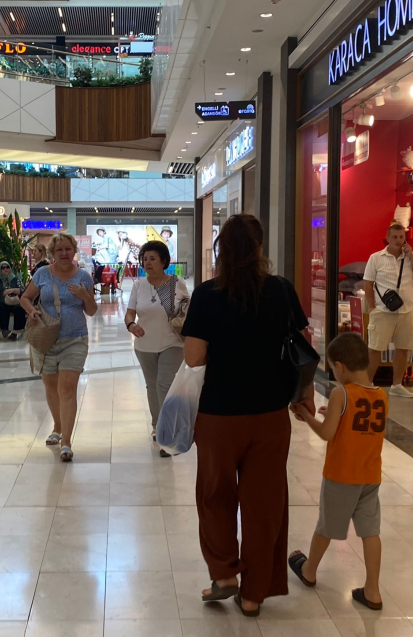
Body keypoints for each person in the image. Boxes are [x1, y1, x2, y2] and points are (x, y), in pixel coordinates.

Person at [182, 214, 313, 617]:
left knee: (215, 495)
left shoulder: (207, 295)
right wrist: (304, 394)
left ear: (221, 249)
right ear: (259, 248)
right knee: (264, 504)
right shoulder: (281, 290)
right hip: (270, 414)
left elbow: (194, 357)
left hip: (218, 416)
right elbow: (304, 346)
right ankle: (254, 593)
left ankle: (224, 574)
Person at [287, 332, 387, 612]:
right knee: (370, 532)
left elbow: (326, 433)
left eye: (333, 368)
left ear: (340, 367)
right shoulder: (381, 395)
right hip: (370, 477)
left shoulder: (341, 393)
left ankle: (308, 570)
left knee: (326, 526)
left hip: (342, 476)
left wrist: (308, 416)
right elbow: (359, 426)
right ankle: (373, 590)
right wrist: (331, 414)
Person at [21, 232, 97, 462]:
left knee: (67, 388)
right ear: (53, 253)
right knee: (51, 386)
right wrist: (31, 311)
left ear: (74, 251)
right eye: (59, 250)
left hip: (75, 339)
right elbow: (25, 297)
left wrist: (84, 295)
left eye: (68, 249)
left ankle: (67, 442)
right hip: (46, 339)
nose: (64, 253)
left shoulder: (83, 277)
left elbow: (91, 311)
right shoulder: (42, 274)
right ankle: (57, 426)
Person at [125, 240, 189, 459]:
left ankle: (166, 432)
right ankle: (156, 424)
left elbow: (187, 309)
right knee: (152, 386)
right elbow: (130, 312)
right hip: (145, 345)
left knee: (164, 385)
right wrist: (131, 325)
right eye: (145, 259)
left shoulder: (177, 283)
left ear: (164, 261)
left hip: (173, 342)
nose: (147, 263)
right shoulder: (138, 286)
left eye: (152, 258)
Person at [363, 223, 413, 397]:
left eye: (401, 237)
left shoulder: (412, 257)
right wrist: (372, 307)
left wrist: (412, 258)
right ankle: (367, 384)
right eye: (395, 237)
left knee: (404, 348)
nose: (398, 240)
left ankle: (397, 385)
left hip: (407, 309)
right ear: (388, 238)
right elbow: (368, 284)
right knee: (375, 348)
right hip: (382, 311)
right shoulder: (376, 258)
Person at [0, 261, 26, 340]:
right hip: (3, 303)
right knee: (1, 308)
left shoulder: (16, 279)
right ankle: (4, 330)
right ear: (0, 269)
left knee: (19, 309)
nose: (5, 269)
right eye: (3, 268)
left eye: (7, 267)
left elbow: (23, 290)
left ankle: (15, 332)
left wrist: (12, 290)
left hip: (15, 302)